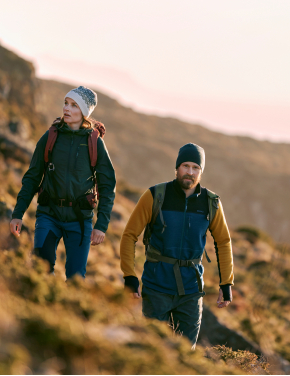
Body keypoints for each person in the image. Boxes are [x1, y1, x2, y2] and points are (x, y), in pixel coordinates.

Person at [120, 143, 234, 349]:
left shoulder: (211, 202)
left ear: (201, 171)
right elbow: (129, 235)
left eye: (195, 168)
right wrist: (129, 276)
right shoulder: (155, 196)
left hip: (191, 292)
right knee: (152, 350)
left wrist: (226, 283)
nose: (190, 172)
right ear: (177, 167)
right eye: (185, 166)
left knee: (185, 354)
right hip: (156, 288)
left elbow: (223, 242)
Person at [10, 86, 116, 279]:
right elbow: (32, 177)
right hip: (48, 215)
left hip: (80, 221)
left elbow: (107, 186)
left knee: (76, 278)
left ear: (84, 112)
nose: (67, 108)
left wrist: (101, 225)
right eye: (66, 103)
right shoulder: (51, 136)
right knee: (41, 269)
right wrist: (18, 213)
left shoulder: (95, 143)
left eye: (74, 105)